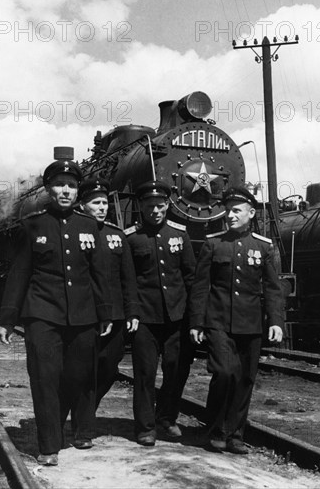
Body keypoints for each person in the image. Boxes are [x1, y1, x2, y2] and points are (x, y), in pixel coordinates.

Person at [0, 160, 112, 466]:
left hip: (83, 315)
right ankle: (49, 445)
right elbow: (19, 274)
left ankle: (63, 426)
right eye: (60, 185)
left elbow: (98, 274)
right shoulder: (33, 224)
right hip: (42, 314)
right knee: (45, 378)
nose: (66, 190)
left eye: (72, 186)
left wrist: (105, 314)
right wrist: (7, 320)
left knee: (77, 375)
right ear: (49, 189)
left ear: (77, 191)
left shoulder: (89, 226)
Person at [189, 187, 284, 454]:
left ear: (251, 213)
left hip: (250, 324)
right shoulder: (213, 243)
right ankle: (216, 428)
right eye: (228, 210)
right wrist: (197, 322)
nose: (230, 215)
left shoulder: (263, 246)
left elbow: (273, 288)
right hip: (218, 322)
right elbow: (200, 287)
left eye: (236, 210)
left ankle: (235, 434)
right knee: (224, 373)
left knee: (244, 379)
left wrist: (276, 321)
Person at [125, 180, 196, 446]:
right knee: (144, 374)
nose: (155, 210)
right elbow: (128, 281)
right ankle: (145, 427)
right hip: (145, 317)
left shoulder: (180, 234)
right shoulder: (131, 237)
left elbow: (189, 276)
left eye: (160, 205)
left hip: (176, 317)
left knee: (176, 370)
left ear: (167, 205)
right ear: (141, 207)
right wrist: (132, 313)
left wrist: (194, 316)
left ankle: (166, 417)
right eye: (150, 206)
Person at [79, 176, 139, 408]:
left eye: (104, 203)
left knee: (110, 366)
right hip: (83, 315)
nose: (102, 208)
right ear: (82, 205)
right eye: (96, 203)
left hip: (114, 315)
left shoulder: (117, 235)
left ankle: (87, 408)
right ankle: (83, 417)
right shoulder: (73, 233)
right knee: (82, 367)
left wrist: (132, 311)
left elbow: (128, 278)